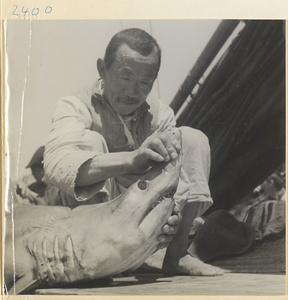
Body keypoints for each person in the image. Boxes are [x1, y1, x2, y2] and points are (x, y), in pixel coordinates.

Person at [43, 28, 224, 276]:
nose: (133, 92)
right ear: (102, 69)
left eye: (144, 83)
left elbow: (177, 181)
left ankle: (178, 255)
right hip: (84, 219)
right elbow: (58, 164)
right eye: (125, 77)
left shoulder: (160, 114)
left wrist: (172, 216)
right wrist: (131, 160)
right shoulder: (75, 105)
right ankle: (96, 257)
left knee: (191, 139)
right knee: (91, 140)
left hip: (138, 207)